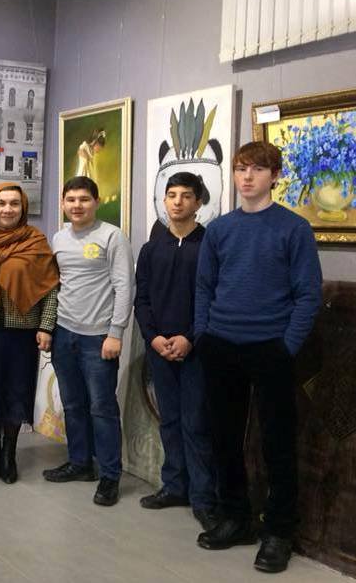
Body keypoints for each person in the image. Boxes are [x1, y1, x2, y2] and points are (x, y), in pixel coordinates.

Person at [194, 141, 322, 574]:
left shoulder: (294, 229)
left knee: (277, 443)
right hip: (220, 345)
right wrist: (203, 334)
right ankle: (235, 518)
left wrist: (286, 346)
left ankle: (279, 531)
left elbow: (308, 295)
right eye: (240, 168)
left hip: (270, 347)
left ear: (275, 176)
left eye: (257, 169)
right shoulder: (219, 229)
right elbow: (204, 287)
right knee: (224, 439)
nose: (246, 177)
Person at [43, 176, 134, 507]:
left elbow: (124, 287)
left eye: (83, 199)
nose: (77, 205)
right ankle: (80, 462)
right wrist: (48, 327)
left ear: (96, 202)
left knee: (102, 408)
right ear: (63, 203)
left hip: (98, 337)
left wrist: (115, 332)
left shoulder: (112, 236)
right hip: (64, 332)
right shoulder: (59, 237)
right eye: (71, 200)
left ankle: (110, 475)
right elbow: (56, 285)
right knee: (72, 404)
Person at [134, 172, 218, 530]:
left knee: (196, 422)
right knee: (168, 419)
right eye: (172, 195)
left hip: (197, 349)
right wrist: (153, 338)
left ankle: (203, 497)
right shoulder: (152, 249)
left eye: (186, 195)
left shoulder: (210, 245)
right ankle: (175, 486)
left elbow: (213, 299)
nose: (178, 201)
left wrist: (189, 338)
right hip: (159, 348)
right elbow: (142, 299)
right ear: (164, 200)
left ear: (198, 202)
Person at [0, 182, 59, 484]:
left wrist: (46, 325)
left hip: (22, 333)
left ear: (23, 208)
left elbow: (50, 288)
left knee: (16, 391)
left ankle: (9, 453)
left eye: (14, 204)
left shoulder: (36, 243)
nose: (7, 209)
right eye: (2, 203)